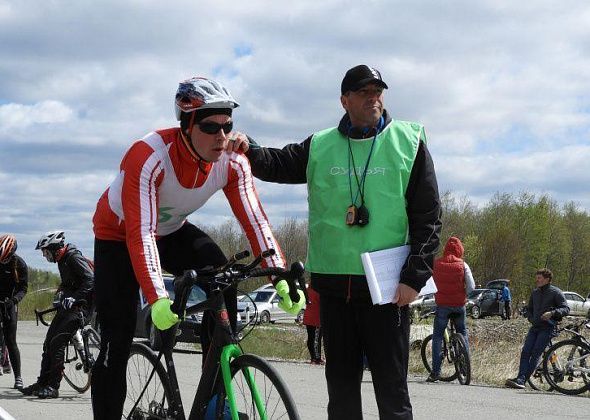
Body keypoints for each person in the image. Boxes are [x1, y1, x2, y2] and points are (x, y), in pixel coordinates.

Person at [90, 76, 303, 419]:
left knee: (223, 275)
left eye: (228, 125)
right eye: (210, 126)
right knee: (117, 336)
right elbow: (141, 233)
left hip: (171, 230)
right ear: (186, 127)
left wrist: (280, 275)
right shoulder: (148, 155)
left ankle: (212, 402)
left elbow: (256, 222)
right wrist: (158, 299)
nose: (223, 136)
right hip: (118, 235)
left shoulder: (232, 161)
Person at [242, 65, 442, 419]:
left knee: (392, 392)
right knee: (342, 391)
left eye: (378, 91)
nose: (374, 97)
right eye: (364, 92)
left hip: (387, 292)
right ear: (344, 100)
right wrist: (249, 149)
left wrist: (414, 278)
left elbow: (428, 217)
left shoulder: (408, 142)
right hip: (334, 289)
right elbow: (279, 163)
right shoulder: (321, 145)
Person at [19, 231, 94, 399]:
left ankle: (53, 387)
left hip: (81, 308)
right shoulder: (62, 260)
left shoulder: (73, 258)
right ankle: (42, 382)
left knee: (57, 343)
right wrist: (60, 294)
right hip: (68, 307)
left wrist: (74, 298)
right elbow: (68, 283)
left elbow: (90, 280)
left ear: (54, 249)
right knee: (48, 343)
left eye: (45, 252)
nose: (45, 256)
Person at [505, 268, 569, 389]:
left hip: (548, 328)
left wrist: (552, 313)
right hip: (535, 327)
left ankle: (521, 380)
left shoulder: (556, 292)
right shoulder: (535, 292)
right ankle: (520, 378)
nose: (537, 280)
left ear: (547, 279)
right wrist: (531, 318)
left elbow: (566, 309)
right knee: (525, 352)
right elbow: (529, 309)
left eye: (539, 278)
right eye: (537, 277)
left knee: (535, 354)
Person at [427, 236, 475, 382]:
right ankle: (465, 367)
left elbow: (430, 284)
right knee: (463, 332)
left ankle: (435, 372)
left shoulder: (436, 264)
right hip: (459, 305)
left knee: (437, 337)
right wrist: (464, 296)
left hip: (442, 306)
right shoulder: (463, 265)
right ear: (460, 249)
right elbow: (471, 286)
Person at [0, 234, 27, 390]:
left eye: (5, 258)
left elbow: (23, 288)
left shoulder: (19, 264)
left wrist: (14, 300)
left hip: (10, 303)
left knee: (11, 340)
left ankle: (18, 377)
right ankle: (3, 360)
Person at [302, 284, 323, 364]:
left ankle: (313, 357)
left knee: (311, 338)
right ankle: (316, 358)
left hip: (309, 317)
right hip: (316, 319)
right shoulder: (318, 292)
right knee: (316, 339)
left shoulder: (308, 290)